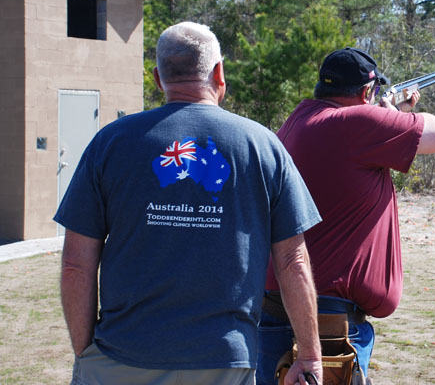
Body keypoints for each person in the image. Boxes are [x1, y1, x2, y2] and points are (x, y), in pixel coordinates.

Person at [55, 22, 323, 385]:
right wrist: (309, 355)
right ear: (219, 73)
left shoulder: (110, 143)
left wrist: (86, 353)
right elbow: (293, 261)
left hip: (121, 356)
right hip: (225, 360)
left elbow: (76, 264)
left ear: (157, 78)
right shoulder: (263, 146)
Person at [257, 47, 435, 384]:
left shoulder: (300, 119)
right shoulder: (355, 122)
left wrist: (390, 116)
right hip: (328, 322)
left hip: (281, 307)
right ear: (366, 93)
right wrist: (390, 114)